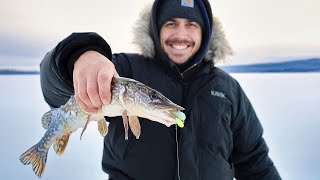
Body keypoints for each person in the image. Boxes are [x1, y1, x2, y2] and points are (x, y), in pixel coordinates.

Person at [40, 0, 281, 179]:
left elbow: (254, 161)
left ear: (205, 33)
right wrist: (80, 55)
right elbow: (55, 88)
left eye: (191, 24)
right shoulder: (122, 70)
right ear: (156, 30)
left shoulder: (228, 89)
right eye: (171, 23)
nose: (181, 34)